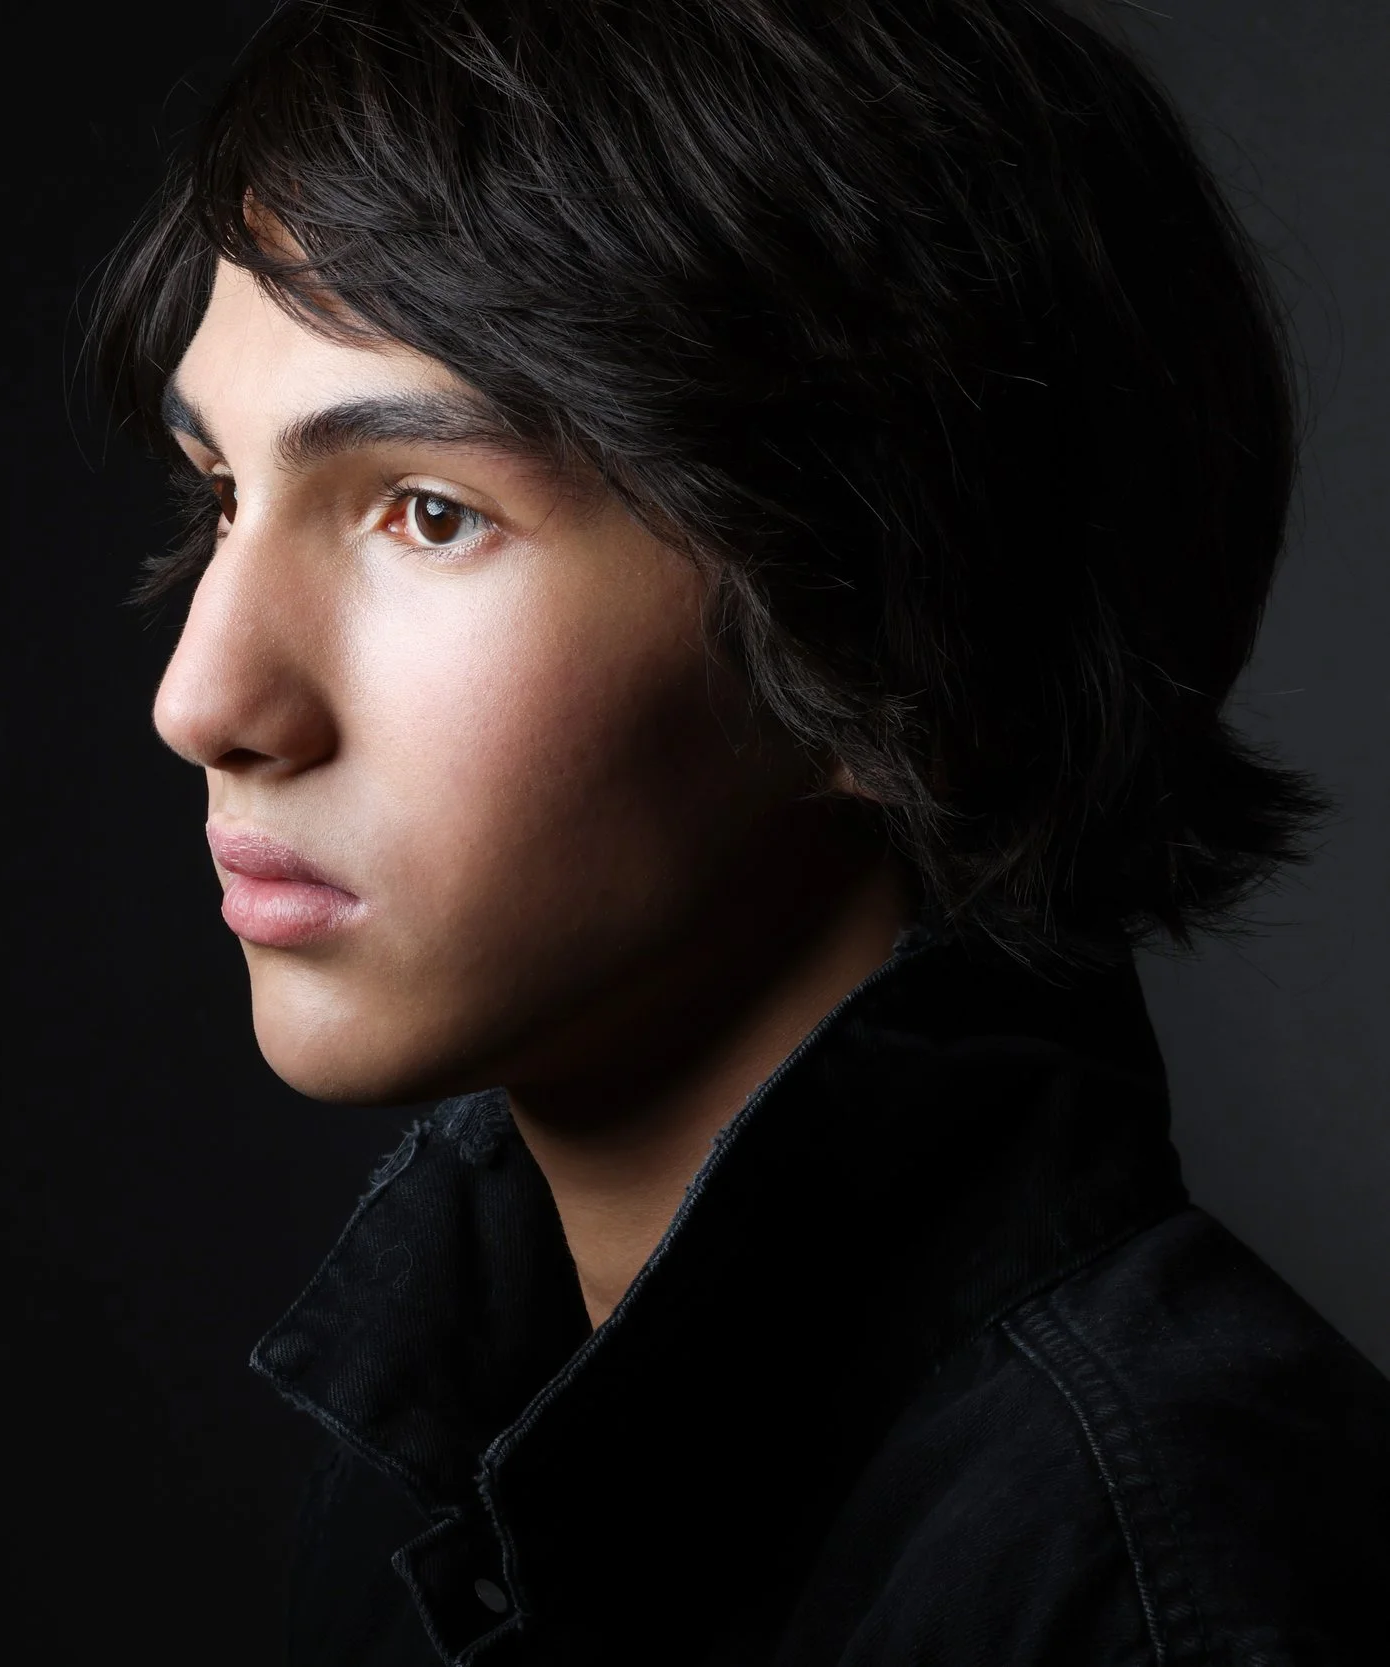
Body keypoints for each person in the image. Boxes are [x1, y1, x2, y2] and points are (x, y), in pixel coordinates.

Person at [90, 1, 1390, 1660]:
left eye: (427, 511)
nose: (204, 699)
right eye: (219, 496)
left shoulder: (1157, 1575)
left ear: (886, 628)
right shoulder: (461, 1459)